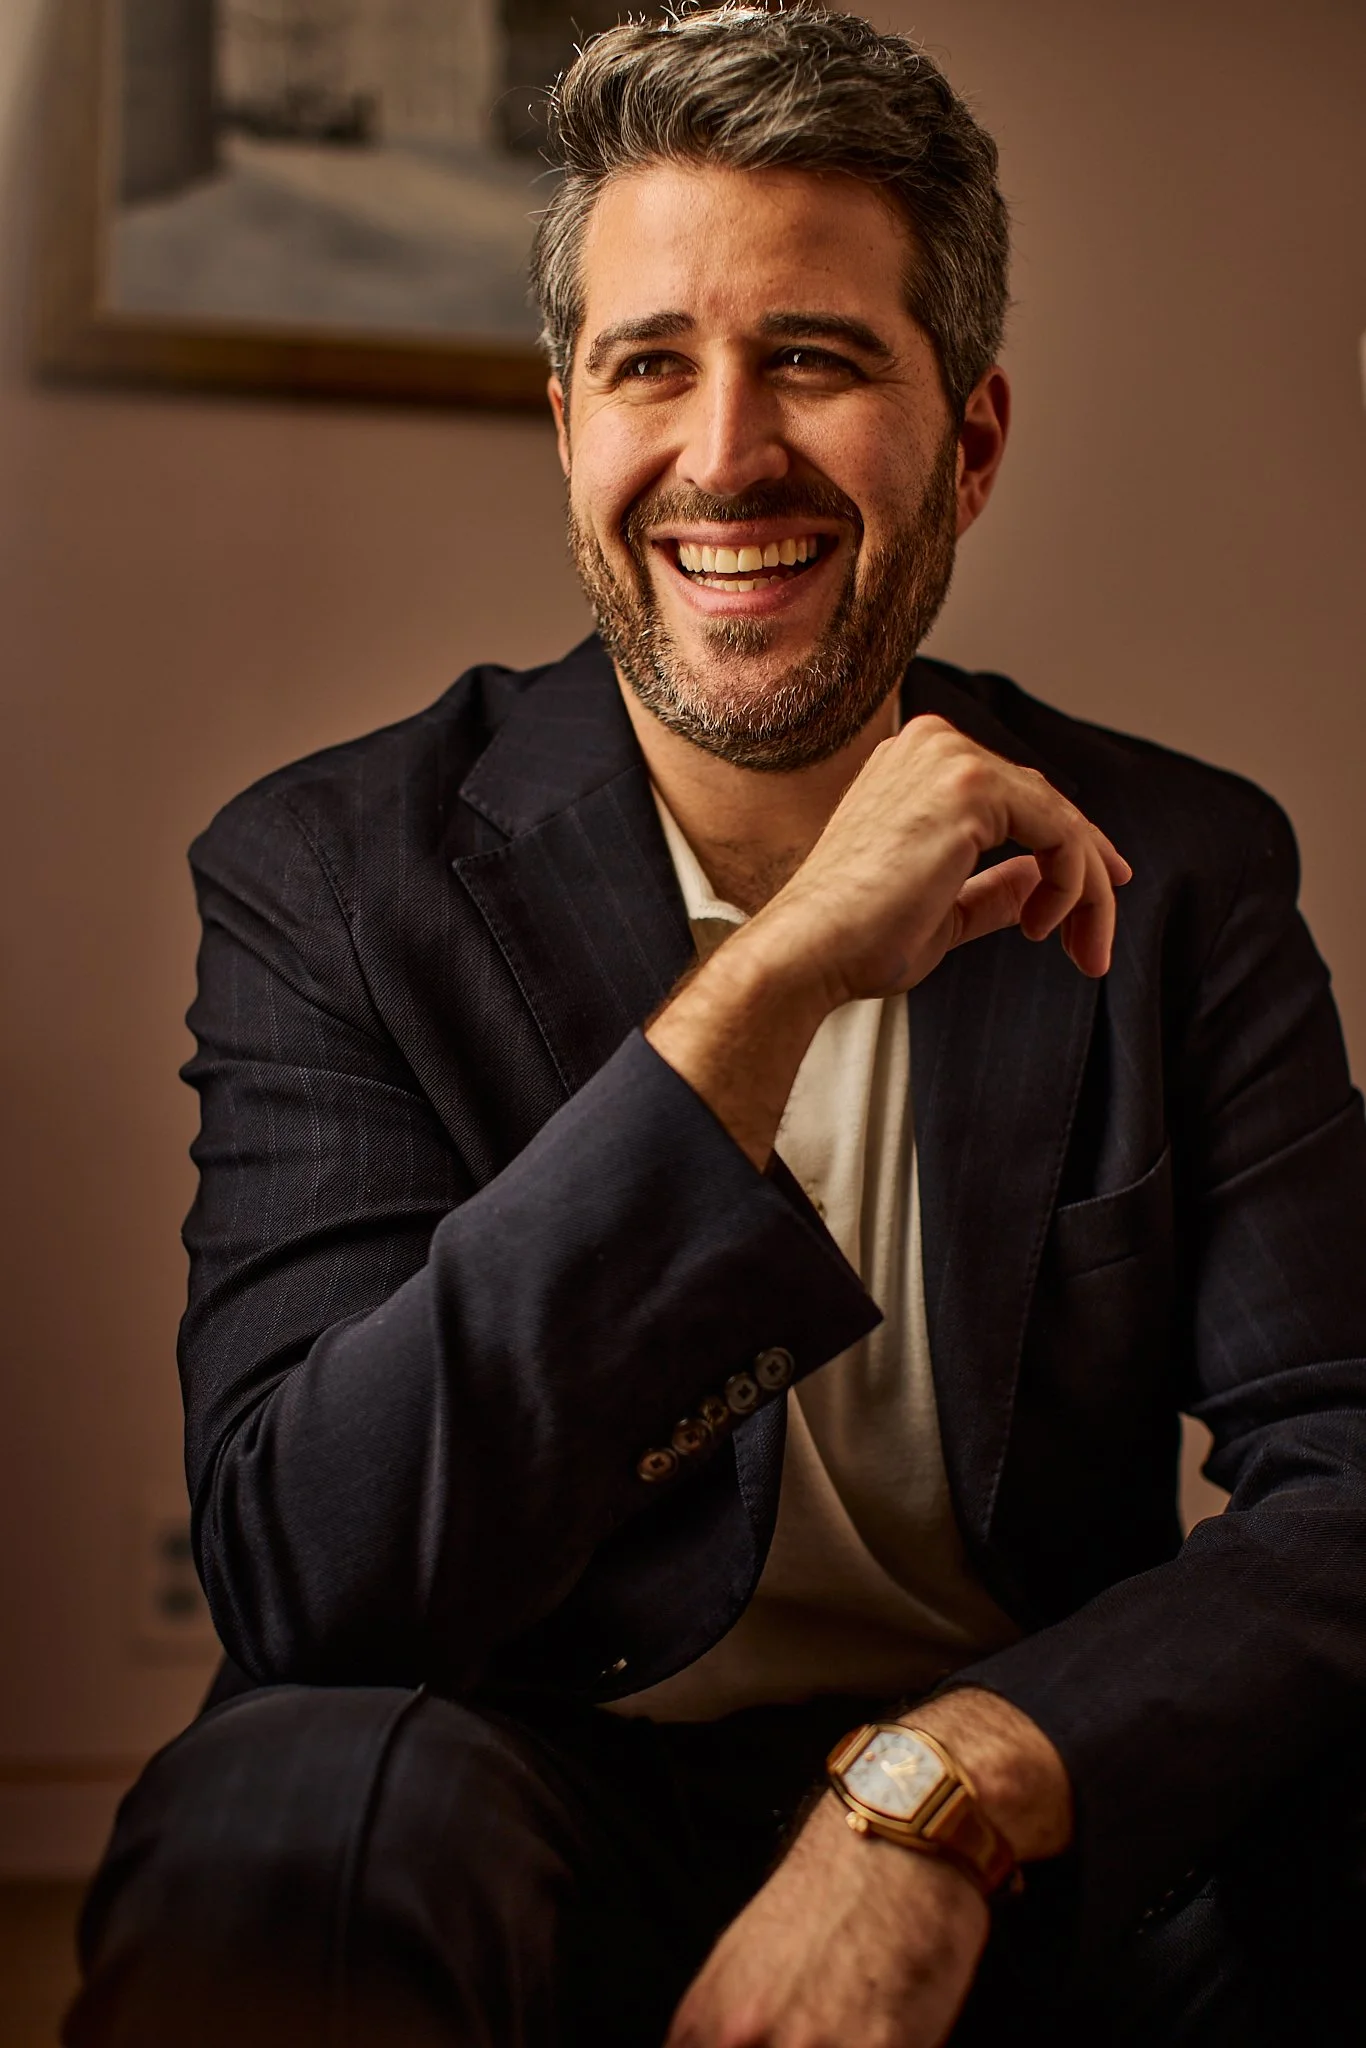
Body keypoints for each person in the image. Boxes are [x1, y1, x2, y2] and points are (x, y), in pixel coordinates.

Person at [66, 7, 1366, 2044]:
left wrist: (941, 1796)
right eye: (650, 362)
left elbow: (1344, 1479)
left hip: (1006, 1804)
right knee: (284, 1817)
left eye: (817, 358)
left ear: (973, 438)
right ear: (566, 423)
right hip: (523, 1786)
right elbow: (312, 1569)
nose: (726, 448)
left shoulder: (1178, 870)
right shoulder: (330, 871)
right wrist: (766, 981)